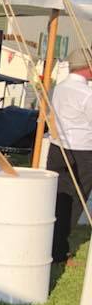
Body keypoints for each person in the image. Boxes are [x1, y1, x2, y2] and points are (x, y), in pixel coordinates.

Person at [48, 46, 92, 265]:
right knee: (75, 200)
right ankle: (58, 249)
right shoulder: (87, 94)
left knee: (56, 197)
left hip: (58, 148)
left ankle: (51, 244)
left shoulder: (59, 87)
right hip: (81, 151)